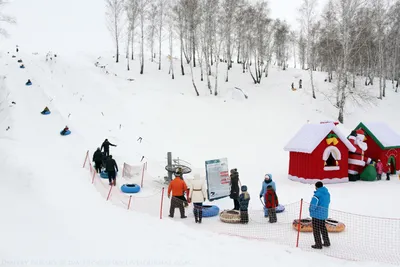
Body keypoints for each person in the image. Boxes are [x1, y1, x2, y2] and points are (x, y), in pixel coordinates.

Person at [309, 181, 331, 249]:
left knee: (316, 230)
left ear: (316, 187)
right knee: (323, 228)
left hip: (316, 215)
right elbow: (328, 202)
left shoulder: (317, 195)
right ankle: (326, 242)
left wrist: (310, 210)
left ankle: (318, 244)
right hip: (324, 214)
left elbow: (313, 205)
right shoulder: (327, 193)